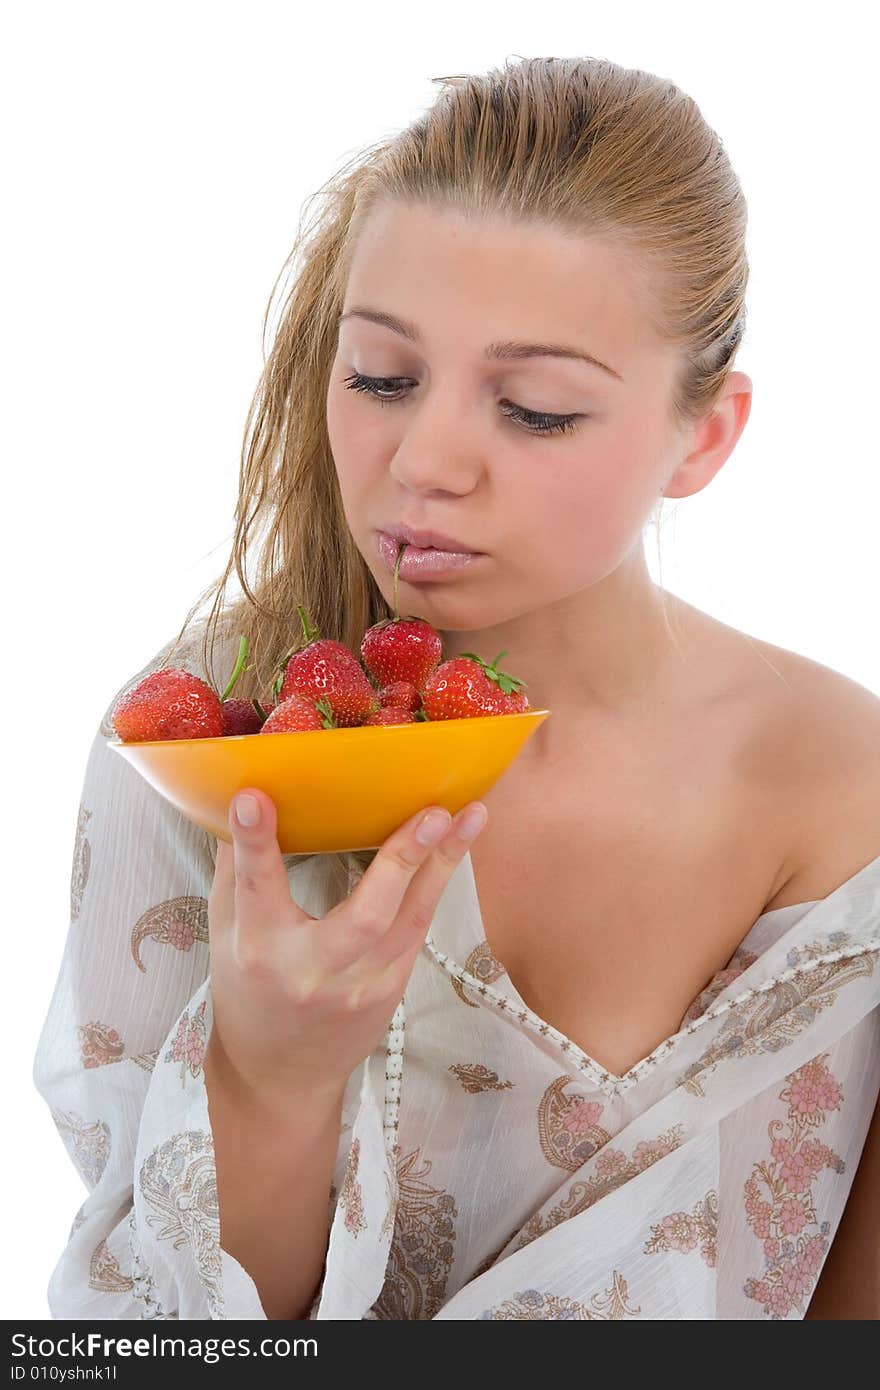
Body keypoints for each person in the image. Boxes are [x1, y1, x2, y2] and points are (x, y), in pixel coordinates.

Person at [34, 55, 879, 1321]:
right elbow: (169, 1338)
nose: (421, 462)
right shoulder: (208, 730)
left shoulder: (844, 782)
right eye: (378, 377)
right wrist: (268, 1082)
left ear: (703, 436)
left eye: (534, 410)